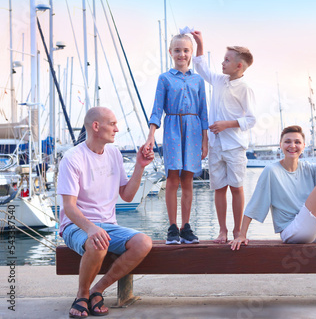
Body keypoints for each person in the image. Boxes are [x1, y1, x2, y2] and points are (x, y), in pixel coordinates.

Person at [58, 107, 155, 318]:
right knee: (97, 241)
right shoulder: (73, 158)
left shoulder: (113, 153)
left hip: (108, 225)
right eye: (112, 124)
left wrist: (140, 166)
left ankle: (97, 290)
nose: (117, 129)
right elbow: (69, 207)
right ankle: (82, 295)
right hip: (76, 225)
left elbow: (127, 196)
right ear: (96, 126)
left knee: (144, 242)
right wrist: (91, 228)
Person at [191, 30, 256, 244]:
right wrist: (199, 42)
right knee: (219, 188)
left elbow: (251, 119)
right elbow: (200, 67)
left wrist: (227, 124)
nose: (222, 63)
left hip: (235, 145)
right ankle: (222, 230)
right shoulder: (218, 80)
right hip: (216, 144)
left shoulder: (245, 88)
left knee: (236, 188)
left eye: (227, 60)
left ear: (239, 65)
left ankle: (238, 231)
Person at [145, 34, 208, 245]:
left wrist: (205, 140)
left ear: (191, 53)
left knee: (188, 180)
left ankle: (186, 227)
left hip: (193, 129)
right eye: (178, 50)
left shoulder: (198, 80)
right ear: (170, 52)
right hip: (172, 128)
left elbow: (203, 112)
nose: (182, 54)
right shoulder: (164, 78)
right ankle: (172, 227)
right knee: (172, 179)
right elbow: (157, 109)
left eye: (186, 50)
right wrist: (151, 135)